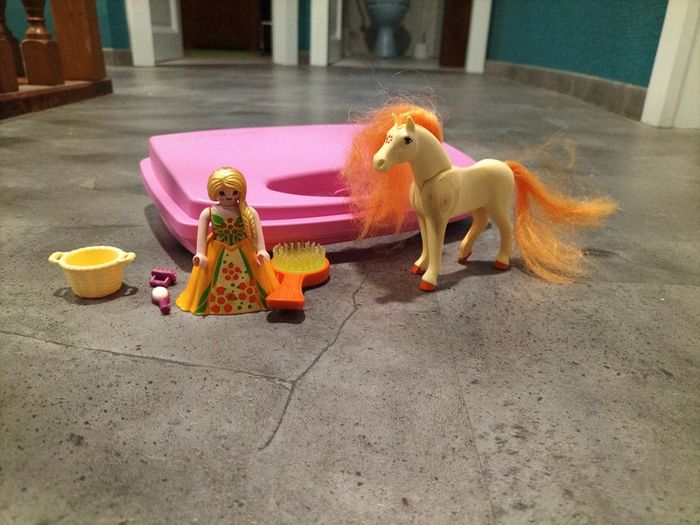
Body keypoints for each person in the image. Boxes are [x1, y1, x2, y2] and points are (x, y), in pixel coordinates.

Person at [176, 167, 279, 315]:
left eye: (234, 192)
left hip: (245, 250)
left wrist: (262, 250)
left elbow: (257, 233)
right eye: (222, 193)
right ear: (214, 192)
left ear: (240, 191)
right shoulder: (208, 213)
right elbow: (202, 236)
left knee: (255, 280)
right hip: (217, 250)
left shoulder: (249, 212)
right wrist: (200, 254)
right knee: (210, 280)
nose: (229, 197)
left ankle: (253, 300)